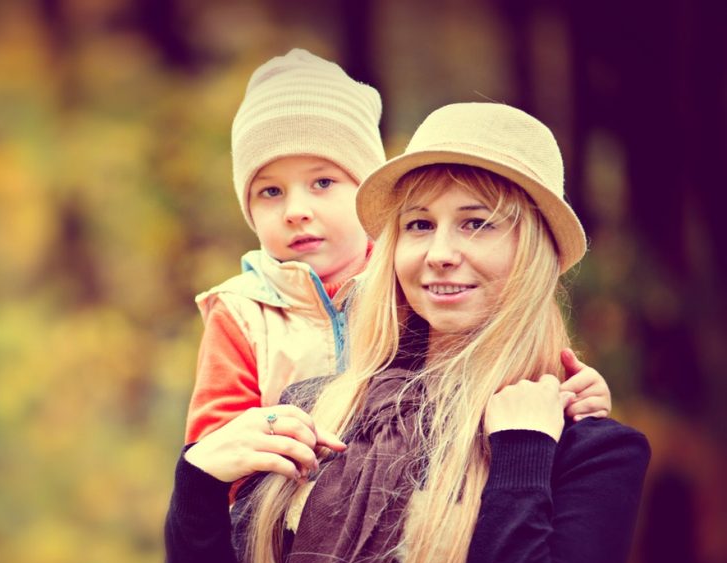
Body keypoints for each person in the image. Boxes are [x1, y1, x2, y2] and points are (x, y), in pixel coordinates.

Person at [165, 102, 651, 563]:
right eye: (419, 225)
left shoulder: (588, 451)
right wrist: (198, 486)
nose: (439, 252)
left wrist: (521, 453)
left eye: (477, 223)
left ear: (535, 250)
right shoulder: (318, 409)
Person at [185, 49, 611, 460]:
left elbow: (497, 348)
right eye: (270, 191)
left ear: (366, 194)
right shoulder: (242, 311)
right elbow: (215, 443)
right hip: (283, 488)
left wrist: (573, 390)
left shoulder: (409, 282)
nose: (296, 211)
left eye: (323, 183)